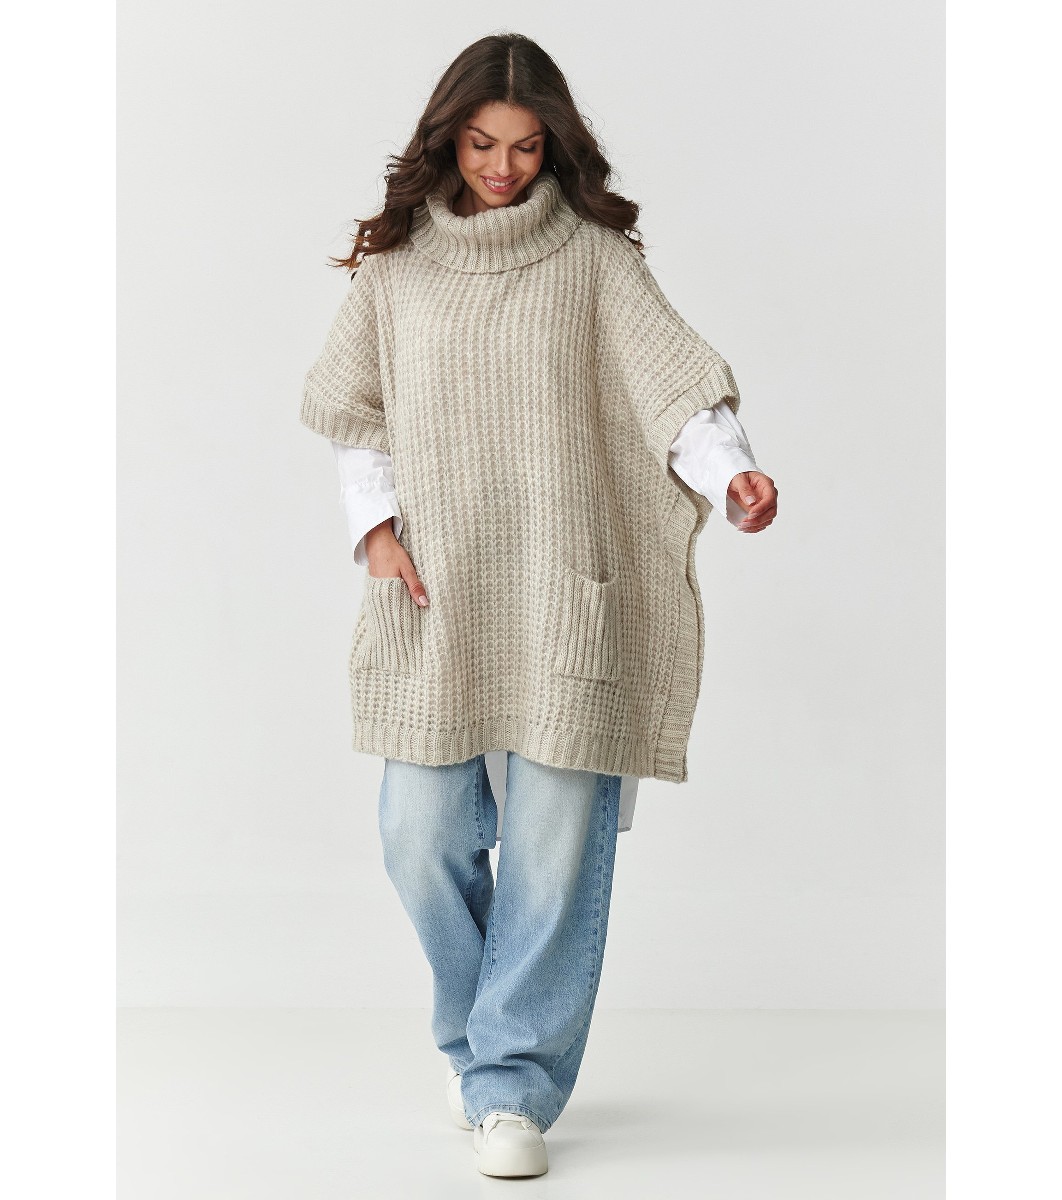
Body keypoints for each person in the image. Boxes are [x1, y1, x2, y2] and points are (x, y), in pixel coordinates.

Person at [300, 33, 779, 1179]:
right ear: (446, 139)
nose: (503, 167)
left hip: (567, 591)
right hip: (436, 590)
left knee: (554, 856)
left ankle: (510, 1084)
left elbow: (675, 388)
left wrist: (734, 474)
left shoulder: (593, 260)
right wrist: (374, 530)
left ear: (553, 143)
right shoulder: (398, 270)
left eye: (523, 146)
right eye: (481, 144)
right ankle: (478, 1042)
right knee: (418, 836)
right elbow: (356, 412)